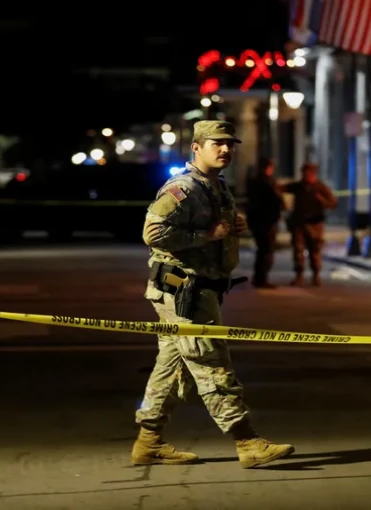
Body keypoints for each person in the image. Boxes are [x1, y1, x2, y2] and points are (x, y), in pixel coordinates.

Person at [132, 120, 295, 469]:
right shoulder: (184, 188)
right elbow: (153, 232)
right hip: (183, 291)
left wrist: (233, 228)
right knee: (211, 364)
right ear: (197, 147)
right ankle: (247, 441)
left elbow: (216, 230)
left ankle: (149, 441)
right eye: (216, 144)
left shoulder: (216, 187)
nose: (225, 150)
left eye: (229, 144)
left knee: (171, 367)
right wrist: (204, 235)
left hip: (200, 289)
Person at [282, 163, 337, 286]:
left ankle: (316, 275)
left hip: (315, 224)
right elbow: (281, 188)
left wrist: (322, 201)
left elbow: (333, 203)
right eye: (304, 173)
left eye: (308, 173)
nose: (305, 176)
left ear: (313, 174)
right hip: (299, 223)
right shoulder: (299, 186)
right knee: (298, 250)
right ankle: (299, 275)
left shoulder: (321, 187)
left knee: (315, 250)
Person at [245, 157, 285, 288]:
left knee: (262, 250)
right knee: (266, 251)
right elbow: (275, 200)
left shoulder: (254, 181)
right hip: (266, 221)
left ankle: (259, 278)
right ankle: (261, 279)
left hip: (258, 220)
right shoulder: (266, 182)